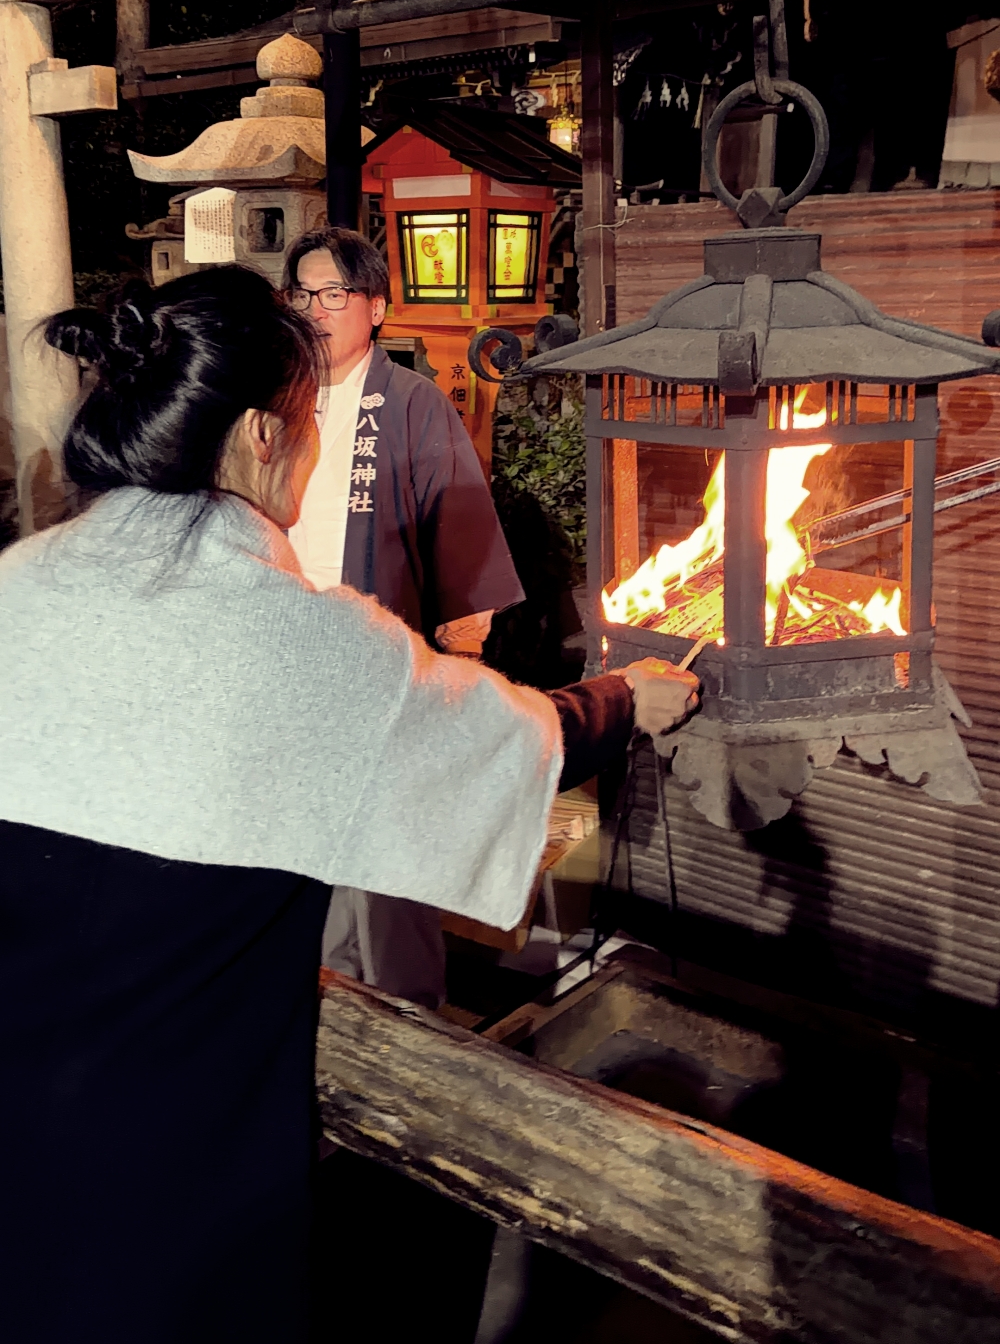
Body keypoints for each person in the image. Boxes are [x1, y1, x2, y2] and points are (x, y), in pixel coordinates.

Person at [0, 266, 700, 1343]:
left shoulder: (21, 579)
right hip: (170, 1146)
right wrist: (623, 699)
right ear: (260, 437)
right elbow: (497, 742)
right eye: (303, 420)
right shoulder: (308, 642)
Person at [284, 226, 523, 1007]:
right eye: (302, 293)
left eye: (334, 294)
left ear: (376, 307)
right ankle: (324, 1020)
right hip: (287, 659)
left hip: (382, 667)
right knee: (305, 859)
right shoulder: (275, 393)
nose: (316, 309)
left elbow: (461, 533)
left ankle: (408, 1024)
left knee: (388, 865)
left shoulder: (413, 404)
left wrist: (464, 653)